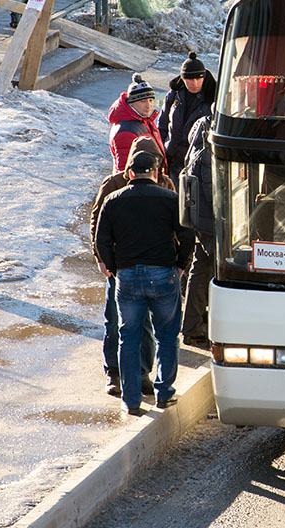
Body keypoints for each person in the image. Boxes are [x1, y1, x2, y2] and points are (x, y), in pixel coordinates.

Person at [94, 149, 194, 416]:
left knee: (128, 337)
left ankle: (132, 399)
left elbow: (101, 240)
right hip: (163, 274)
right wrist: (181, 266)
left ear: (129, 173)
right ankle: (164, 394)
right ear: (156, 172)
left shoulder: (113, 200)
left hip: (126, 278)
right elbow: (187, 236)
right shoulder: (171, 199)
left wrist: (115, 269)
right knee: (167, 336)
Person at [88, 139, 175, 396]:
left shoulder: (165, 184)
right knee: (115, 321)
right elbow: (98, 223)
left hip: (155, 265)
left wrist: (177, 263)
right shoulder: (113, 185)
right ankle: (113, 373)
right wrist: (102, 259)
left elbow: (177, 225)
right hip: (120, 266)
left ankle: (141, 373)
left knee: (146, 324)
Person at [180, 114, 215, 347]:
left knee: (200, 269)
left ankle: (193, 326)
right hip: (211, 222)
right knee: (204, 271)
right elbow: (213, 190)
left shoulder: (199, 143)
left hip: (202, 221)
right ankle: (194, 327)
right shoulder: (207, 155)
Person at [159, 52, 216, 179]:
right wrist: (161, 150)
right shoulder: (174, 95)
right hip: (173, 157)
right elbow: (162, 125)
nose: (194, 83)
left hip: (199, 160)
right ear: (183, 79)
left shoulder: (213, 96)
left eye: (198, 79)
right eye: (190, 79)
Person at [108, 74, 165, 173]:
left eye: (151, 100)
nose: (149, 105)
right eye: (143, 101)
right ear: (132, 103)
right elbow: (124, 172)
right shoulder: (126, 131)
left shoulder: (145, 120)